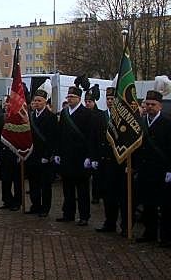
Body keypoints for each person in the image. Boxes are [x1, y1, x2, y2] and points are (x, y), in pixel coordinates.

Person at [54, 82, 100, 226]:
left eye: (72, 97)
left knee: (82, 190)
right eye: (68, 96)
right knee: (67, 189)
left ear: (79, 98)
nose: (69, 99)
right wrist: (58, 152)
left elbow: (92, 136)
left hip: (81, 158)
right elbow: (60, 135)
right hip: (67, 157)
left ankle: (84, 216)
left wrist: (90, 156)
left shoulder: (88, 114)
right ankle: (68, 214)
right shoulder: (65, 113)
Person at [135, 87, 171, 245]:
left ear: (160, 106)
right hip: (145, 170)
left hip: (161, 170)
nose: (149, 107)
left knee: (164, 206)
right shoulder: (141, 123)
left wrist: (170, 169)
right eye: (147, 104)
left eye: (153, 104)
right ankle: (149, 233)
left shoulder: (167, 123)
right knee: (148, 204)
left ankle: (166, 237)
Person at [95, 86, 129, 235]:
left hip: (120, 163)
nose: (110, 101)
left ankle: (125, 226)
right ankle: (110, 223)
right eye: (108, 99)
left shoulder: (126, 119)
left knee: (123, 197)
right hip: (106, 162)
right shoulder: (101, 116)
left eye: (113, 99)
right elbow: (95, 138)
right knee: (108, 196)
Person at [26, 81, 58, 217]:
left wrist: (48, 155)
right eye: (35, 101)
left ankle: (45, 208)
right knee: (33, 183)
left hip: (45, 157)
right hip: (32, 155)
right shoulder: (31, 116)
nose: (37, 103)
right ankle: (35, 205)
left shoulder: (51, 117)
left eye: (40, 100)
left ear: (45, 101)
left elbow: (53, 138)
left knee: (45, 185)